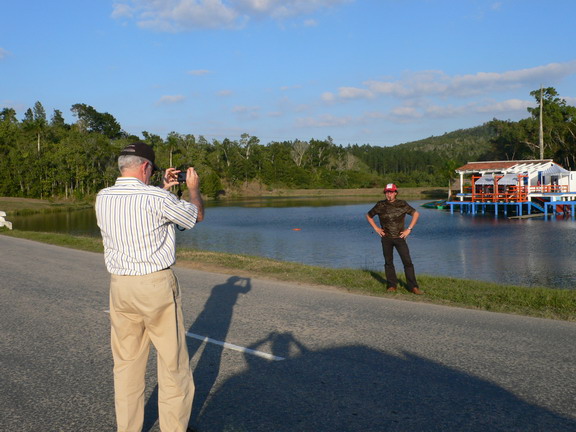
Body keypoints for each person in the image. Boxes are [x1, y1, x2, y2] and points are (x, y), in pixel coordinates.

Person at [95, 141, 204, 432]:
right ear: (145, 167)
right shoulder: (156, 198)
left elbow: (143, 214)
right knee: (173, 364)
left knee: (127, 365)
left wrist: (164, 188)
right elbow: (194, 216)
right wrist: (192, 187)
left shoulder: (103, 197)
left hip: (120, 287)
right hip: (154, 285)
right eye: (152, 170)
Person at [365, 183, 423, 295]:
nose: (389, 194)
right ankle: (392, 285)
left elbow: (416, 214)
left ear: (395, 193)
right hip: (386, 238)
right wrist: (376, 228)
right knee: (388, 262)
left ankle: (413, 287)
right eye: (387, 192)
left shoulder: (402, 204)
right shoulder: (380, 205)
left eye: (391, 192)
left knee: (407, 262)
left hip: (400, 238)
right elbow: (368, 215)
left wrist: (409, 229)